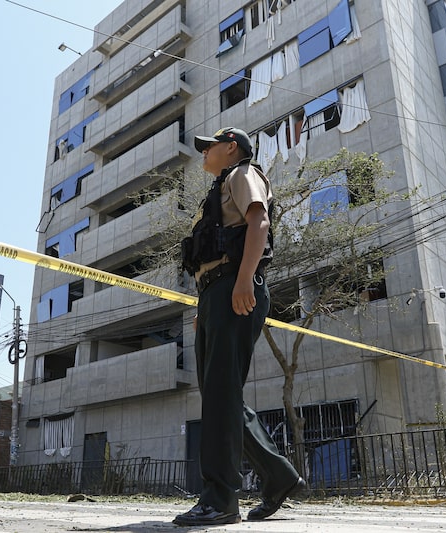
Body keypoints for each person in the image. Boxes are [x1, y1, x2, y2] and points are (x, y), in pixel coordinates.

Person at [174, 127, 305, 527]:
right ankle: (279, 476)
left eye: (208, 146)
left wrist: (245, 278)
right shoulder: (219, 187)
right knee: (221, 393)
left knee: (220, 393)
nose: (203, 153)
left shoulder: (242, 174)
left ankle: (220, 500)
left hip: (235, 286)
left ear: (231, 148)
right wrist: (206, 302)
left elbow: (258, 223)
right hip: (215, 293)